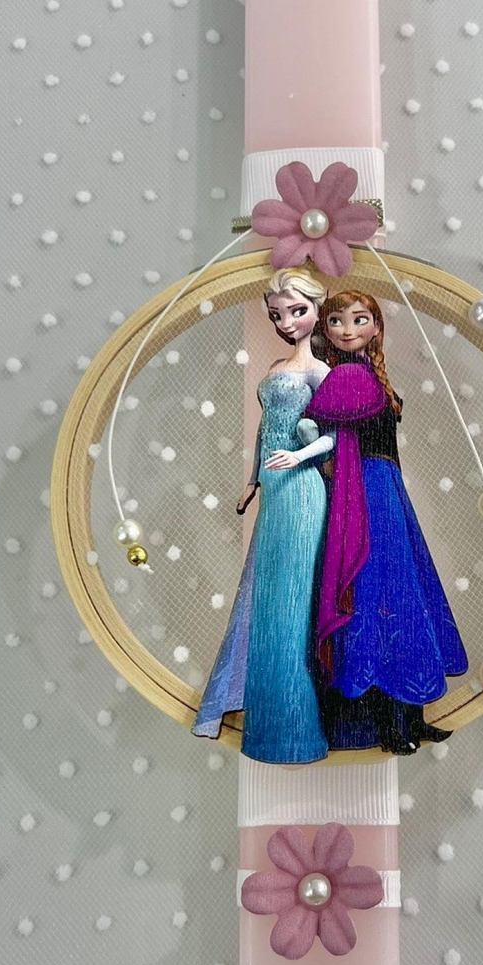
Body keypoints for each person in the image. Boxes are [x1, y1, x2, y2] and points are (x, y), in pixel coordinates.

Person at [303, 290, 468, 754]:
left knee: (401, 596)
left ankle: (409, 715)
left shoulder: (369, 373)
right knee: (380, 596)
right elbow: (321, 428)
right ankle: (388, 724)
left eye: (360, 319)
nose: (348, 329)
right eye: (337, 321)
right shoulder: (345, 376)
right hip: (365, 492)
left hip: (386, 489)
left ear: (376, 326)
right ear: (325, 330)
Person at [192, 267, 335, 763]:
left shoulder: (321, 373)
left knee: (292, 604)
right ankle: (270, 726)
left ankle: (298, 730)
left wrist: (299, 456)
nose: (287, 323)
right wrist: (253, 481)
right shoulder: (276, 367)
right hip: (274, 491)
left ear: (317, 310)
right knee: (268, 598)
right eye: (277, 315)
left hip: (303, 489)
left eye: (297, 311)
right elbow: (265, 429)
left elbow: (336, 436)